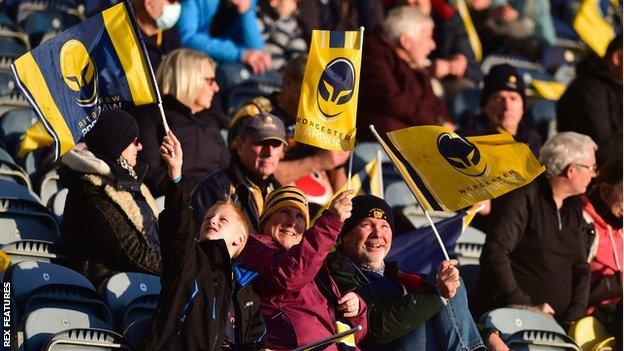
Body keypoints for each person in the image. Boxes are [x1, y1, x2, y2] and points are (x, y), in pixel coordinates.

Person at [139, 131, 266, 350]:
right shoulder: (188, 258)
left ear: (240, 239)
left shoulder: (246, 290)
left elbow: (256, 341)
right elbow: (178, 224)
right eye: (208, 217)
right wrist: (176, 175)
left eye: (223, 219)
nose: (212, 221)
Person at [328, 195, 505, 351]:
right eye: (366, 225)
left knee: (451, 278)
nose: (378, 234)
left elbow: (450, 317)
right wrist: (437, 294)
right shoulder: (336, 273)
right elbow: (377, 327)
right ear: (345, 235)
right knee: (427, 303)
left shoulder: (399, 275)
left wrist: (489, 335)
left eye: (385, 226)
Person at [474, 132, 596, 329]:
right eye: (591, 167)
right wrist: (525, 305)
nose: (594, 174)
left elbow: (581, 266)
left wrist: (575, 312)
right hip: (510, 321)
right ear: (571, 170)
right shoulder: (523, 196)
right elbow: (495, 253)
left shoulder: (574, 207)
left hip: (560, 325)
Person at [239, 186, 368, 350]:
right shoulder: (254, 249)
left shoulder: (315, 267)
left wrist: (357, 309)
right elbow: (289, 275)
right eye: (284, 212)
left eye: (299, 216)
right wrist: (331, 221)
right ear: (264, 221)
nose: (292, 222)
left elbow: (356, 334)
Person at [229, 55, 350, 206]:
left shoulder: (323, 119)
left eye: (323, 91)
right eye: (311, 89)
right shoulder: (256, 114)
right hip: (270, 206)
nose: (318, 98)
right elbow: (249, 175)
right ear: (288, 83)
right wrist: (317, 162)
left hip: (318, 208)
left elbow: (338, 174)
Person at [60, 110, 161, 287]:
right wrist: (184, 267)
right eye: (134, 141)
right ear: (117, 145)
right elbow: (134, 254)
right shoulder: (90, 190)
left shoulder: (133, 184)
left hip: (142, 281)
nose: (140, 147)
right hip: (107, 290)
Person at [137, 48, 229, 196]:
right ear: (187, 78)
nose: (216, 88)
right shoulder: (151, 116)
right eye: (210, 80)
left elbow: (227, 172)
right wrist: (191, 192)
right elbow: (150, 174)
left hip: (214, 205)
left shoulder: (210, 121)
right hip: (171, 202)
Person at [357, 6, 454, 141]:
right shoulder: (374, 55)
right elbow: (391, 100)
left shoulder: (414, 64)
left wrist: (446, 125)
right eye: (428, 37)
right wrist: (437, 125)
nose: (433, 45)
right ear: (405, 41)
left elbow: (433, 103)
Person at [192, 113, 286, 232]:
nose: (269, 152)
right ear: (240, 145)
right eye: (262, 143)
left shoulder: (280, 192)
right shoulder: (213, 189)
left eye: (276, 144)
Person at [557, 34, 623, 166]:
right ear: (617, 58)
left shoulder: (613, 88)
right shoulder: (588, 89)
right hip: (586, 175)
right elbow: (603, 149)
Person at [460, 63, 542, 156]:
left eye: (513, 98)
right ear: (485, 105)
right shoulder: (467, 141)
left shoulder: (533, 141)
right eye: (499, 99)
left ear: (523, 108)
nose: (507, 107)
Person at [176, 0, 272, 74]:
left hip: (229, 72)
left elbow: (257, 49)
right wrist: (239, 54)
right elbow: (188, 38)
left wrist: (246, 11)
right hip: (195, 68)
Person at [582, 158, 622, 323]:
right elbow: (570, 287)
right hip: (589, 323)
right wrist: (617, 283)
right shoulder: (582, 221)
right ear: (605, 191)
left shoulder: (619, 224)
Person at [256, 0, 307, 71]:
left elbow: (298, 52)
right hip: (259, 69)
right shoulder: (257, 18)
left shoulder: (292, 25)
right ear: (274, 1)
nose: (295, 7)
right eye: (292, 2)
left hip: (283, 73)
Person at [131, 0, 181, 69]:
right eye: (171, 1)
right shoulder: (127, 34)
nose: (176, 5)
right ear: (149, 4)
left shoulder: (172, 35)